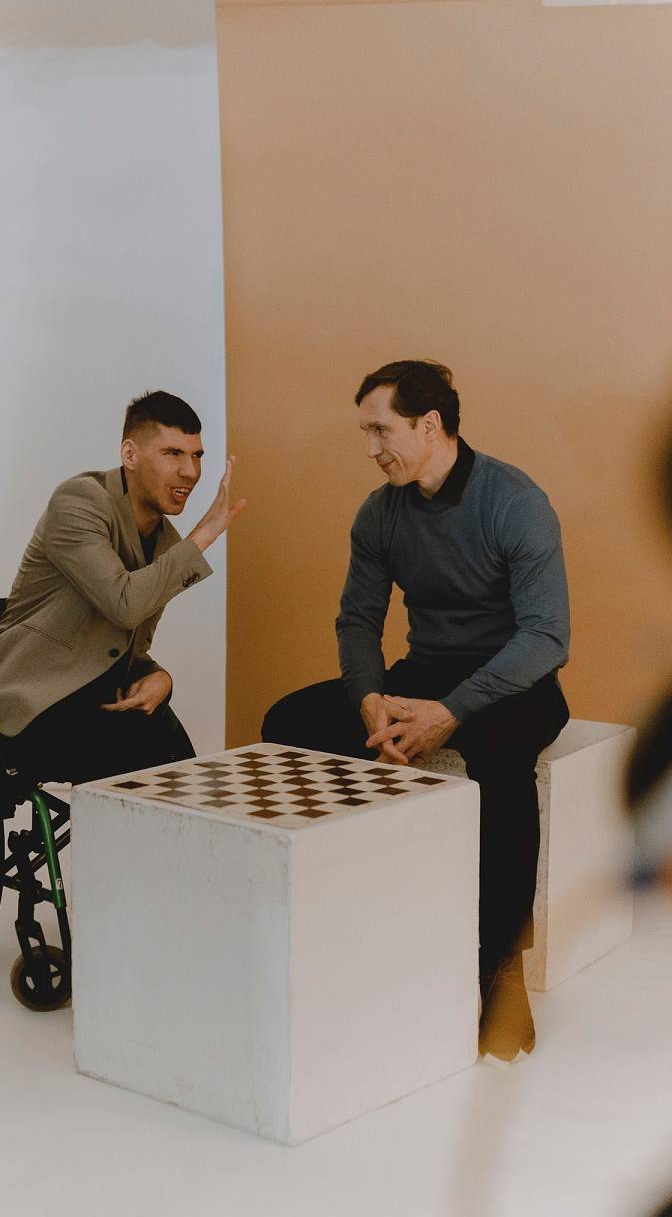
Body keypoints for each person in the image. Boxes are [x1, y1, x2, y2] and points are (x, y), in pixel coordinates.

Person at [262, 360, 570, 1061]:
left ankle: (500, 965)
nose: (371, 448)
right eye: (366, 433)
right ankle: (349, 925)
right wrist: (370, 700)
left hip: (515, 682)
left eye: (381, 430)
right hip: (423, 673)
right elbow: (357, 620)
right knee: (289, 724)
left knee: (500, 758)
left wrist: (450, 712)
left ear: (430, 425)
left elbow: (547, 637)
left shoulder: (515, 501)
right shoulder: (381, 512)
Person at [0, 390, 244, 785]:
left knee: (180, 766)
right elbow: (124, 605)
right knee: (142, 757)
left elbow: (129, 644)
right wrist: (205, 534)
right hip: (29, 696)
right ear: (130, 454)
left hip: (97, 694)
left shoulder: (166, 543)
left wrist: (161, 677)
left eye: (197, 456)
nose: (190, 472)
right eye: (173, 453)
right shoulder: (79, 501)